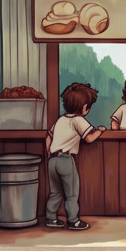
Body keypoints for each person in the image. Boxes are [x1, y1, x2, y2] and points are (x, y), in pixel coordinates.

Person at [45, 82, 105, 231]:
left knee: (55, 192)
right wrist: (100, 131)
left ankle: (51, 218)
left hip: (52, 160)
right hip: (66, 159)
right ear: (85, 107)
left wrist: (49, 152)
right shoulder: (78, 120)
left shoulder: (61, 119)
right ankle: (73, 221)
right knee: (71, 193)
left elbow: (48, 136)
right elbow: (89, 138)